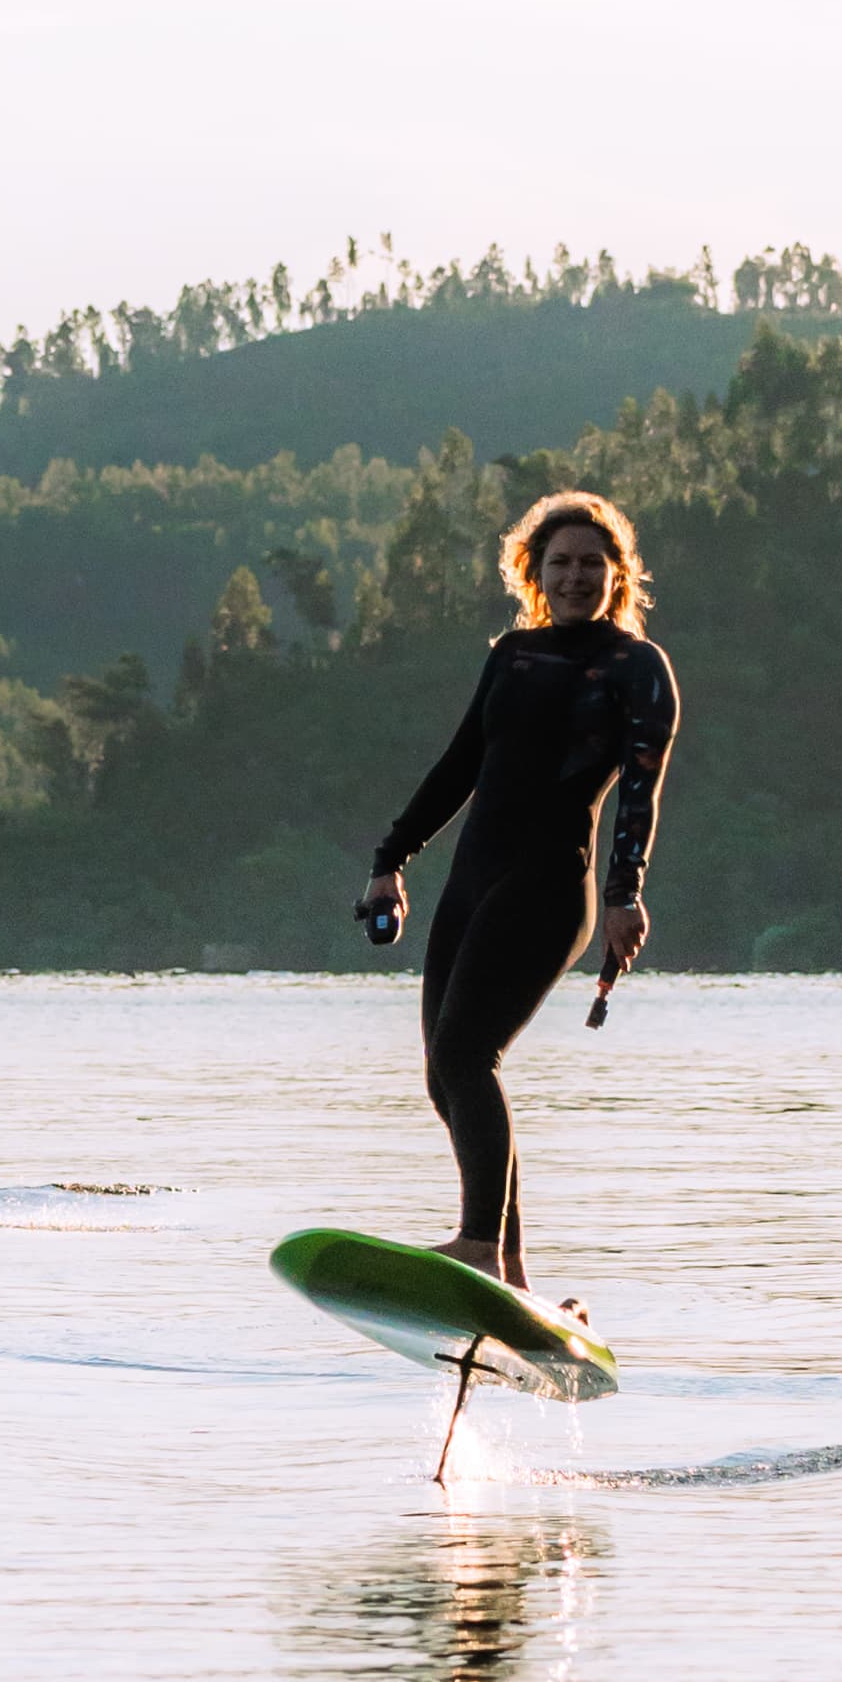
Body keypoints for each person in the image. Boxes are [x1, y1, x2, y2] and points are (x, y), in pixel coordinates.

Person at [357, 489, 679, 1298]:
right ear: (533, 571)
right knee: (446, 1074)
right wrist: (391, 857)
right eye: (560, 563)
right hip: (474, 877)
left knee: (468, 1055)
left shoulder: (637, 668)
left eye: (592, 564)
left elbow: (640, 791)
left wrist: (623, 894)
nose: (575, 577)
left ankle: (476, 1245)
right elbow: (462, 764)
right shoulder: (511, 655)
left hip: (549, 881)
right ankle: (511, 1272)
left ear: (618, 576)